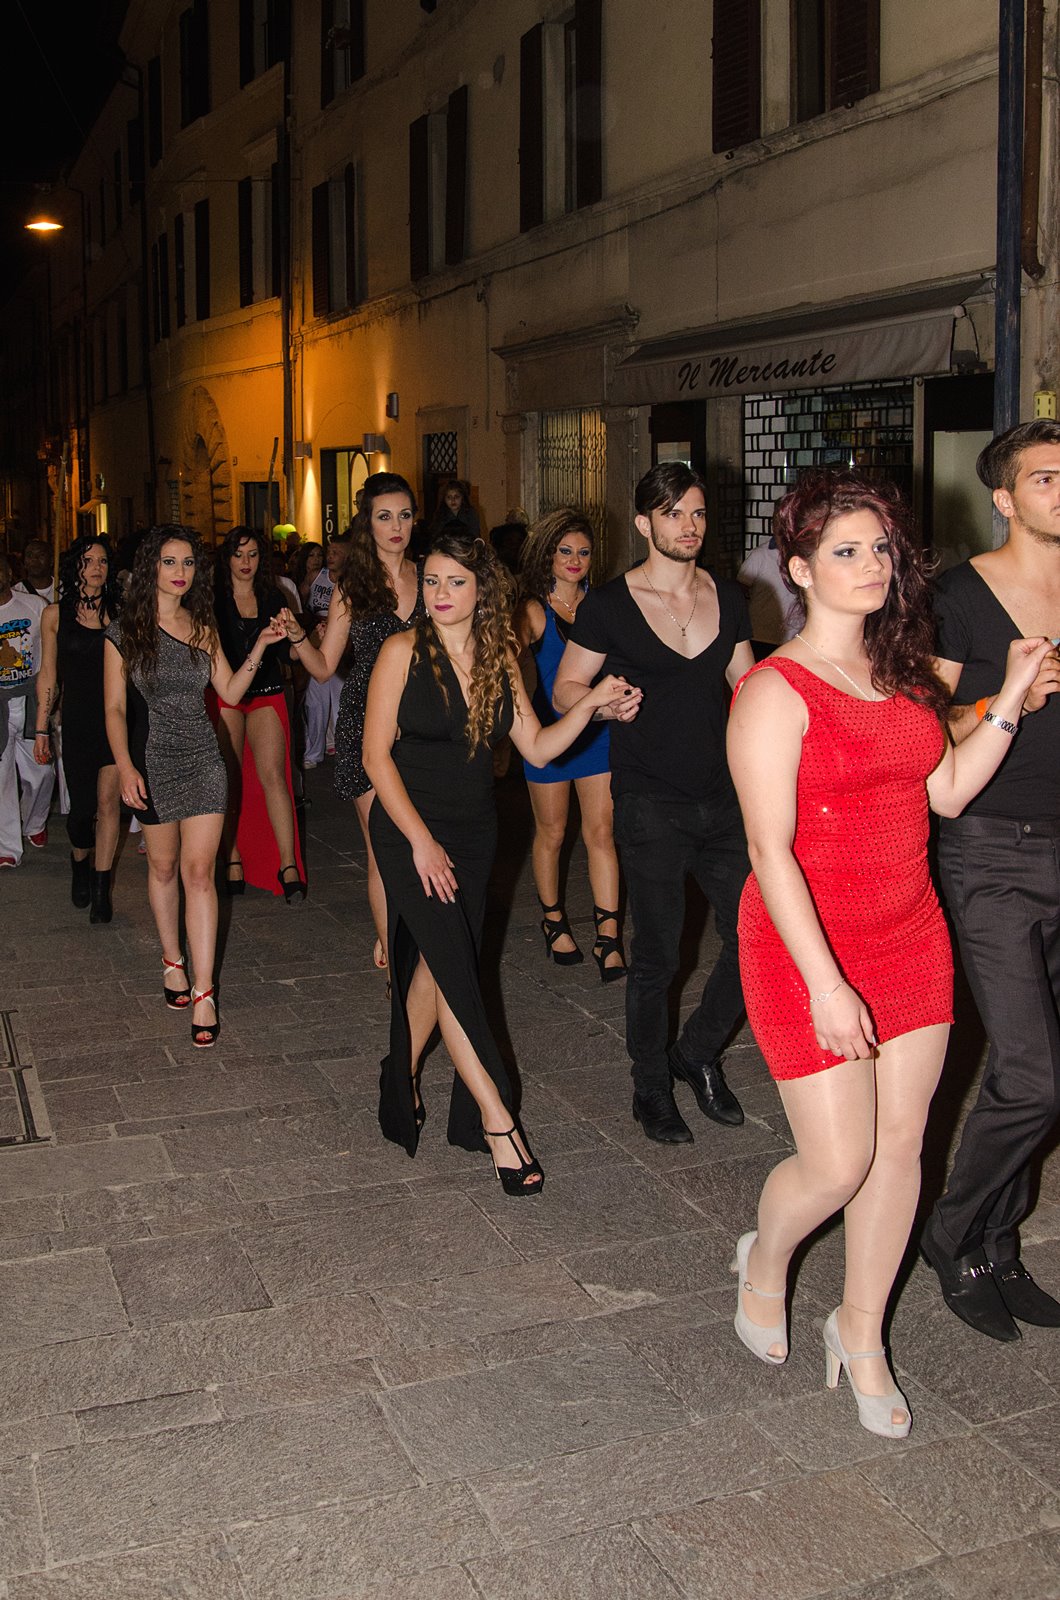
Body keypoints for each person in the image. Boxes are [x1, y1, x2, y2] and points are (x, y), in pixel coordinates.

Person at [725, 468, 1050, 1439]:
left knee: (901, 1148)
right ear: (798, 569)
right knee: (837, 1164)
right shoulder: (774, 691)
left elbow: (945, 791)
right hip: (806, 948)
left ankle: (859, 1330)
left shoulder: (905, 673)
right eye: (844, 551)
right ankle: (764, 1259)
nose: (871, 565)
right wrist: (827, 984)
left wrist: (1009, 699)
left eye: (879, 549)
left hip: (910, 936)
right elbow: (768, 851)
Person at [362, 529, 636, 1189]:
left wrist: (593, 705)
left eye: (455, 582)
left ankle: (399, 1071)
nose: (440, 594)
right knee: (457, 974)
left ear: (482, 588)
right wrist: (421, 841)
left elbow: (537, 747)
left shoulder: (499, 658)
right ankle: (497, 1121)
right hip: (408, 830)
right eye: (432, 581)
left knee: (439, 967)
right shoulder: (402, 651)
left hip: (474, 834)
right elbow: (374, 757)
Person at [554, 462, 751, 1143]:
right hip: (649, 802)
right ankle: (649, 1088)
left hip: (725, 799)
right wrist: (600, 702)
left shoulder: (729, 595)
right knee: (659, 956)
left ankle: (695, 1052)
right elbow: (566, 687)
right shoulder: (610, 605)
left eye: (697, 513)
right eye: (673, 514)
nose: (688, 525)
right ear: (644, 523)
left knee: (759, 938)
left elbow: (748, 684)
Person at [919, 420, 1060, 1341]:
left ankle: (997, 1245)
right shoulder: (957, 598)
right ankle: (950, 1231)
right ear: (1005, 498)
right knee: (1034, 1077)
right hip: (993, 850)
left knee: (1046, 1069)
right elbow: (924, 733)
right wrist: (1000, 700)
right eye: (1046, 477)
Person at [103, 525, 287, 1047]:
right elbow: (114, 709)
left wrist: (260, 646)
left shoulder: (203, 626)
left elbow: (230, 688)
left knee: (200, 872)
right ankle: (172, 960)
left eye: (188, 563)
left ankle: (205, 992)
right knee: (163, 867)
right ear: (151, 568)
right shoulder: (124, 632)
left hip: (204, 758)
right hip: (152, 759)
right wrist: (125, 766)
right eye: (170, 562)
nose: (181, 572)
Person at [283, 473, 422, 975]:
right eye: (385, 516)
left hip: (424, 725)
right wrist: (297, 636)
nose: (396, 526)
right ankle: (395, 962)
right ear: (369, 524)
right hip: (367, 725)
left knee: (423, 841)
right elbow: (324, 667)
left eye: (404, 515)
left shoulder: (432, 576)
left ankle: (420, 943)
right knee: (384, 847)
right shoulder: (352, 589)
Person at [514, 507, 625, 980]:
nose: (575, 560)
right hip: (549, 737)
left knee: (601, 833)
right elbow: (511, 653)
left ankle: (609, 936)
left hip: (597, 734)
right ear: (548, 555)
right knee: (553, 833)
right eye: (565, 551)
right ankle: (553, 919)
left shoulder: (602, 606)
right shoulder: (532, 609)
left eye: (584, 552)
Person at [211, 527, 306, 901]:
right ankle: (232, 856)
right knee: (230, 778)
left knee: (274, 776)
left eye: (252, 554)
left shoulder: (273, 597)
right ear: (228, 559)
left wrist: (303, 639)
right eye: (238, 554)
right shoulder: (213, 600)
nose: (246, 562)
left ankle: (288, 864)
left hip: (266, 691)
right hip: (227, 695)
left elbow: (288, 654)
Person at [33, 535, 121, 920]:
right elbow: (48, 675)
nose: (96, 568)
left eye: (102, 561)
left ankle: (101, 890)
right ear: (75, 567)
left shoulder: (120, 612)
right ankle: (80, 860)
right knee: (81, 812)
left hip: (116, 719)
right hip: (78, 720)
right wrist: (41, 728)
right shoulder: (55, 615)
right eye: (88, 561)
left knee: (108, 803)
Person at [0, 553, 55, 868]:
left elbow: (50, 657)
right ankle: (7, 847)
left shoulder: (34, 606)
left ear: (10, 572)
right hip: (0, 705)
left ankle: (34, 822)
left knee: (42, 772)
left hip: (31, 700)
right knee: (2, 778)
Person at [302, 529, 351, 768]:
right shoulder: (316, 576)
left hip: (342, 645)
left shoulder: (351, 583)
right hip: (317, 640)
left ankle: (341, 748)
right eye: (328, 552)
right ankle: (313, 753)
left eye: (336, 552)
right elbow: (299, 603)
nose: (330, 556)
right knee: (315, 701)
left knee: (341, 701)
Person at [737, 535, 796, 658]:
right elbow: (739, 592)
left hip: (794, 638)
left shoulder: (804, 553)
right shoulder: (760, 555)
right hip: (762, 637)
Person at [14, 538, 55, 603]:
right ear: (24, 562)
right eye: (29, 555)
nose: (35, 559)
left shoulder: (64, 589)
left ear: (51, 561)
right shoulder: (15, 593)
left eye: (41, 555)